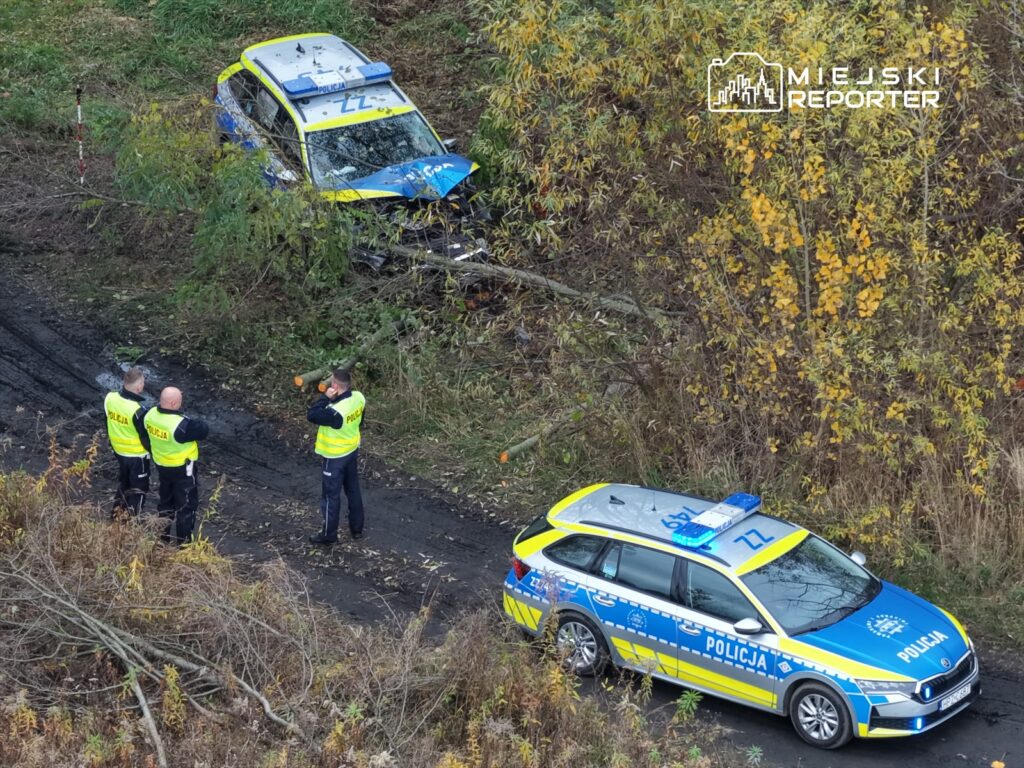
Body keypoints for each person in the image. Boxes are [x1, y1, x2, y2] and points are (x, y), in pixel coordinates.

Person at [144, 387, 209, 545]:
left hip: (162, 465)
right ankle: (183, 545)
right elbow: (203, 430)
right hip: (183, 470)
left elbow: (144, 437)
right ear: (173, 403)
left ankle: (162, 539)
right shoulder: (180, 426)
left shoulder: (149, 415)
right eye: (180, 401)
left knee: (165, 503)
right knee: (186, 507)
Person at [307, 368, 366, 543]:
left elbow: (312, 415)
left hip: (334, 457)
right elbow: (360, 421)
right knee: (353, 490)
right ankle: (357, 529)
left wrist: (325, 398)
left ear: (334, 385)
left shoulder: (335, 413)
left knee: (330, 497)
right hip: (351, 450)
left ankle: (328, 535)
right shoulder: (358, 397)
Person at [104, 366, 151, 518]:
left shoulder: (110, 398)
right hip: (137, 456)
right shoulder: (138, 411)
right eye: (142, 383)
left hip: (119, 452)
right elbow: (145, 438)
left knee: (124, 484)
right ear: (138, 387)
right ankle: (132, 523)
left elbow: (107, 421)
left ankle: (116, 516)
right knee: (138, 490)